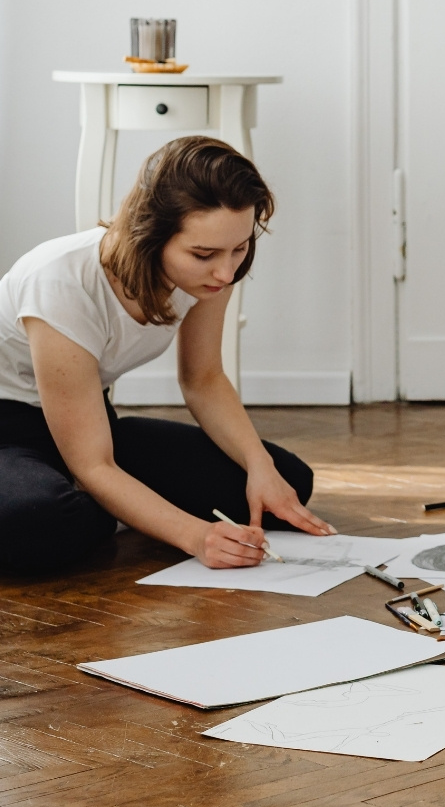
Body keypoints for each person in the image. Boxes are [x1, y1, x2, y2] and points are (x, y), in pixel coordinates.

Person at [0, 135, 333, 574]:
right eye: (203, 253)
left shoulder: (214, 273)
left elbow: (203, 379)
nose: (227, 271)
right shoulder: (60, 282)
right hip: (10, 426)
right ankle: (89, 497)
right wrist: (197, 537)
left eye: (240, 247)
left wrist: (260, 466)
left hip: (87, 421)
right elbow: (93, 462)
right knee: (39, 522)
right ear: (150, 234)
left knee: (284, 485)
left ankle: (102, 498)